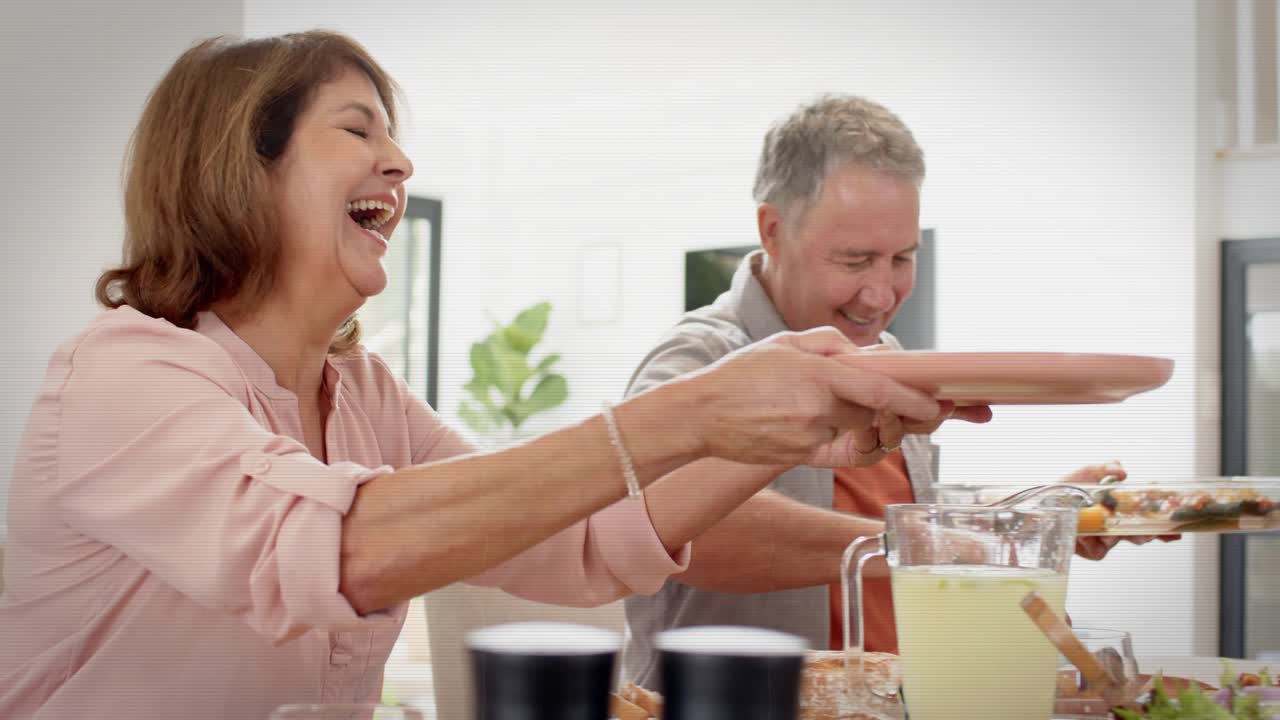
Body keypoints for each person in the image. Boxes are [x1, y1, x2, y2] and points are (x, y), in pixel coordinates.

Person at [0, 37, 953, 719]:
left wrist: (763, 436)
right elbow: (339, 551)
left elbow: (571, 541)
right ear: (242, 171)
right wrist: (693, 409)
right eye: (357, 128)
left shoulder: (361, 393)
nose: (401, 160)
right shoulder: (123, 375)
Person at [619, 94, 1165, 687]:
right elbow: (680, 530)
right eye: (854, 261)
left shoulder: (889, 359)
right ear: (774, 231)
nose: (880, 296)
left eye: (901, 258)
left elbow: (894, 528)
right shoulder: (698, 357)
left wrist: (1034, 514)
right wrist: (935, 545)